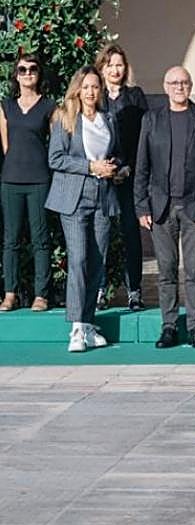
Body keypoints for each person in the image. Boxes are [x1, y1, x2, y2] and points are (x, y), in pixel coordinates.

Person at [134, 67, 195, 349]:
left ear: (190, 85)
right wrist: (141, 206)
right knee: (167, 271)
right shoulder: (152, 119)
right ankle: (169, 326)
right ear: (165, 86)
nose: (179, 87)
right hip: (161, 207)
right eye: (173, 83)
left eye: (184, 82)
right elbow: (142, 166)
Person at [46, 67, 121, 352]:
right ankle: (76, 327)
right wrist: (90, 167)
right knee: (78, 260)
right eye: (86, 86)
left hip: (103, 195)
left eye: (95, 87)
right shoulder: (65, 118)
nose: (91, 92)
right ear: (77, 89)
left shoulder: (108, 119)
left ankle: (88, 323)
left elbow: (117, 154)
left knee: (97, 261)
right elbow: (56, 158)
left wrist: (115, 168)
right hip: (74, 197)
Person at [0, 55, 56, 312]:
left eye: (33, 69)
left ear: (39, 73)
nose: (27, 73)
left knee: (40, 239)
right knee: (10, 239)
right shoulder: (6, 107)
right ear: (16, 75)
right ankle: (10, 294)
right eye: (22, 69)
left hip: (39, 180)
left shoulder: (49, 106)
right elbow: (6, 146)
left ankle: (41, 295)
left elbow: (55, 143)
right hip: (11, 179)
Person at [95, 43, 148, 311]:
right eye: (110, 65)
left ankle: (134, 291)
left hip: (130, 175)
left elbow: (145, 136)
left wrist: (130, 168)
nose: (115, 70)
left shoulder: (135, 96)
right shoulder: (95, 95)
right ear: (102, 68)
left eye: (119, 65)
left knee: (130, 234)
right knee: (101, 235)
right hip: (102, 176)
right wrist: (103, 168)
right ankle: (99, 289)